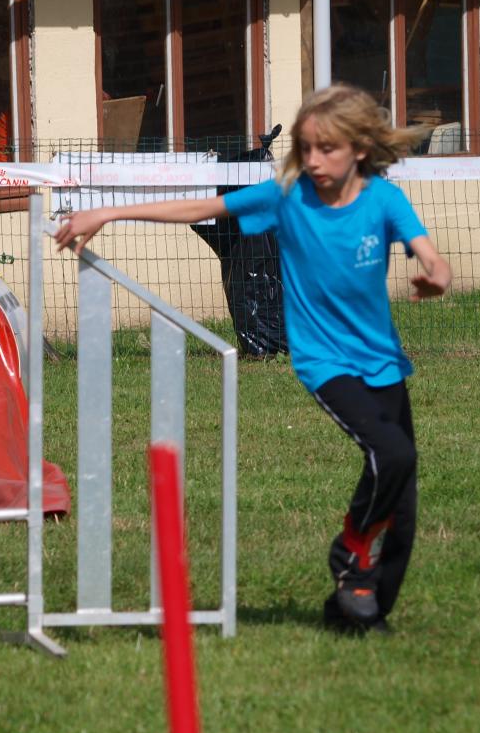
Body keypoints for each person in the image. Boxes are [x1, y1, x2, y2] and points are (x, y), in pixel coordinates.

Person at [53, 83, 453, 634]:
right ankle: (352, 548)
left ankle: (357, 611)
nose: (312, 160)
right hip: (325, 363)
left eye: (326, 149)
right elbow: (202, 205)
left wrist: (435, 275)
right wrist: (108, 213)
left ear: (360, 149)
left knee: (401, 501)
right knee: (394, 454)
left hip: (383, 361)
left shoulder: (383, 199)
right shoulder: (286, 198)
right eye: (306, 148)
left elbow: (431, 255)